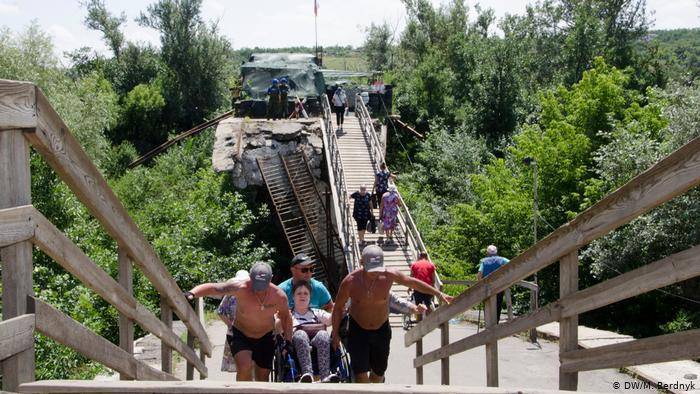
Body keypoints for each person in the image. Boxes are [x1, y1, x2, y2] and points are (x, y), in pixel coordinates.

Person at [331, 245, 453, 383]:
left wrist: (438, 293)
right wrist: (335, 333)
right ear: (361, 262)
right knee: (360, 374)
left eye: (378, 269)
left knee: (378, 374)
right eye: (371, 269)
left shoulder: (389, 275)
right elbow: (338, 307)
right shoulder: (350, 282)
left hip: (381, 330)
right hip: (358, 330)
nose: (375, 273)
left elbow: (413, 282)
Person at [184, 262, 293, 381]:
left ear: (271, 279)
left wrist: (288, 341)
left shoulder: (279, 296)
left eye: (263, 286)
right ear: (250, 277)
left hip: (265, 336)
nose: (259, 290)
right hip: (241, 334)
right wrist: (192, 293)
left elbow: (286, 318)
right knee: (244, 367)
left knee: (262, 376)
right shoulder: (239, 287)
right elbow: (214, 288)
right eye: (256, 285)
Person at [289, 280, 339, 383]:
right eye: (299, 293)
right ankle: (307, 374)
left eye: (305, 293)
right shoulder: (289, 315)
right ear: (293, 297)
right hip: (298, 345)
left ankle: (325, 376)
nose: (302, 296)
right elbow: (278, 328)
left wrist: (339, 309)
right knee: (300, 334)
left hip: (317, 342)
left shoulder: (317, 312)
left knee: (323, 334)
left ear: (310, 297)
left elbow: (331, 320)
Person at [216, 270, 250, 373]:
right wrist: (230, 325)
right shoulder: (230, 295)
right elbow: (220, 311)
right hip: (235, 333)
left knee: (249, 364)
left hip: (251, 331)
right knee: (240, 366)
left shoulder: (252, 293)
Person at [477, 245, 510, 323]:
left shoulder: (484, 261)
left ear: (487, 253)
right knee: (498, 305)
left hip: (487, 288)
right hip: (499, 287)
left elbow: (479, 274)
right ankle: (496, 323)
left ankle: (488, 324)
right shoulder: (503, 260)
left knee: (487, 305)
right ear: (496, 252)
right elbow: (512, 264)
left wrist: (480, 284)